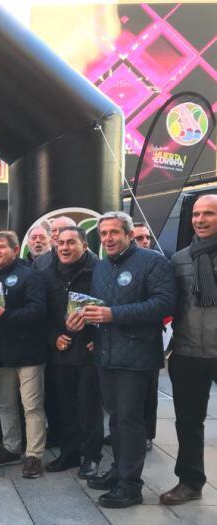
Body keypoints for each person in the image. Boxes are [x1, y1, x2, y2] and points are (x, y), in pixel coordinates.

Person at [72, 211, 174, 509]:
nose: (108, 239)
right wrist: (85, 320)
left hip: (137, 355)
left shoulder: (153, 262)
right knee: (115, 419)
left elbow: (163, 304)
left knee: (129, 420)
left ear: (129, 235)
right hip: (106, 353)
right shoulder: (102, 267)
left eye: (114, 233)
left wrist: (113, 315)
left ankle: (131, 485)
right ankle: (119, 470)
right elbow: (99, 307)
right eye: (103, 234)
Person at [160, 195, 217, 506]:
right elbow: (168, 303)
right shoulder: (179, 259)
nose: (201, 220)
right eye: (196, 214)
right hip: (188, 352)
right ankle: (190, 481)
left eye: (208, 214)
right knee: (188, 422)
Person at [0, 231, 48, 479]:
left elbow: (38, 312)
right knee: (6, 405)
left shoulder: (30, 276)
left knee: (32, 406)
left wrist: (5, 315)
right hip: (1, 354)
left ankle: (34, 456)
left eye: (1, 247)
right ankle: (11, 448)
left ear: (15, 248)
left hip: (29, 353)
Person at [40, 227, 103, 479]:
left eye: (71, 243)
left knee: (89, 407)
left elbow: (110, 307)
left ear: (84, 246)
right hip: (60, 351)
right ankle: (69, 453)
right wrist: (53, 337)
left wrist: (99, 339)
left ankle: (92, 457)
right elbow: (41, 314)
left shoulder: (99, 272)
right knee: (63, 406)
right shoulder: (46, 275)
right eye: (61, 243)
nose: (65, 248)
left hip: (88, 351)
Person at [130, 221, 159, 451]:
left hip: (148, 340)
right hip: (125, 342)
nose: (144, 242)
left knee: (148, 392)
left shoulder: (158, 262)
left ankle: (147, 434)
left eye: (146, 237)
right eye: (139, 238)